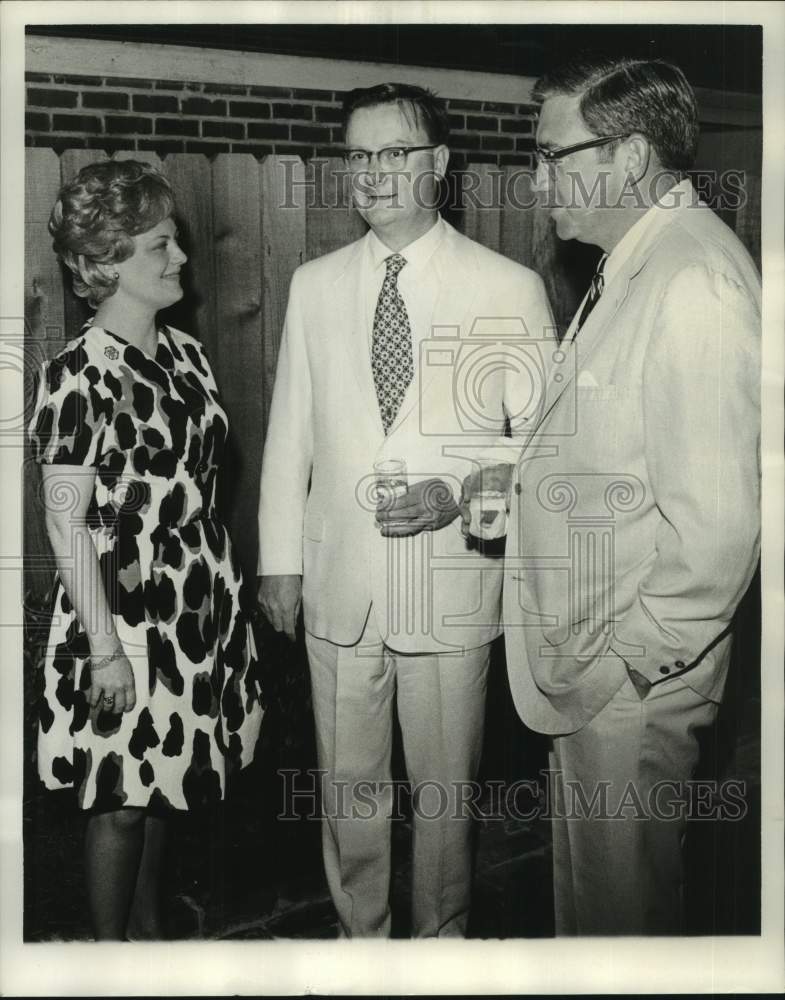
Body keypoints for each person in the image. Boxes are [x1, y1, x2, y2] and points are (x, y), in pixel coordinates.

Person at [465, 55, 761, 934]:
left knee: (621, 919)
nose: (537, 177)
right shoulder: (637, 259)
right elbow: (625, 458)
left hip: (629, 677)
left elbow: (718, 525)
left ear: (628, 157)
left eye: (554, 154)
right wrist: (522, 489)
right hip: (596, 665)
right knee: (596, 909)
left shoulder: (693, 282)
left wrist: (633, 661)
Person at [257, 82, 554, 937]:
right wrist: (281, 562)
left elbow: (537, 452)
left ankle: (437, 952)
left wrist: (459, 495)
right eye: (357, 156)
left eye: (393, 153)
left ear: (438, 164)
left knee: (443, 804)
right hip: (338, 593)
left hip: (451, 590)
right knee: (348, 796)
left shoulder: (507, 287)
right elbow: (290, 437)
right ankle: (361, 946)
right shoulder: (314, 286)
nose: (372, 173)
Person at [29, 159, 264, 940]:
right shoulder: (75, 374)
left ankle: (149, 941)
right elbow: (68, 521)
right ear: (105, 264)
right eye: (159, 246)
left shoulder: (190, 358)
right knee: (120, 806)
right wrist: (104, 647)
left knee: (168, 784)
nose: (180, 259)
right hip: (118, 602)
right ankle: (107, 960)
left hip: (193, 604)